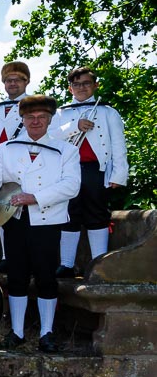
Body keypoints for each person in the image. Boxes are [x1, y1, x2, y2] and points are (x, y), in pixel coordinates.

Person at [0, 95, 81, 352]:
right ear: (22, 119)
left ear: (49, 120)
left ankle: (47, 333)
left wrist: (35, 198)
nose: (36, 122)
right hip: (15, 220)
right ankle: (17, 332)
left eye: (41, 117)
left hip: (48, 221)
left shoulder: (67, 150)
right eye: (30, 117)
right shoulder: (8, 148)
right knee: (17, 276)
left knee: (46, 276)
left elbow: (71, 185)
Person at [50, 67, 128, 277]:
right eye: (76, 84)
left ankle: (98, 265)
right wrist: (75, 126)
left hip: (96, 169)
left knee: (97, 215)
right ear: (70, 88)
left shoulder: (108, 111)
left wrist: (119, 174)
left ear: (95, 85)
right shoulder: (60, 113)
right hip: (68, 171)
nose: (81, 87)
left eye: (86, 83)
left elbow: (118, 144)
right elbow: (50, 137)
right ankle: (66, 265)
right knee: (69, 215)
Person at [0, 61, 31, 271]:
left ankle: (28, 258)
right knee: (1, 208)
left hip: (24, 165)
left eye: (17, 80)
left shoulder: (33, 105)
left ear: (26, 81)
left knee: (25, 214)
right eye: (8, 80)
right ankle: (5, 258)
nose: (12, 84)